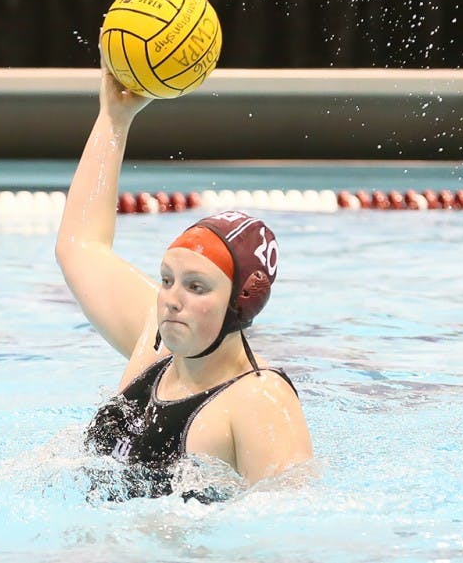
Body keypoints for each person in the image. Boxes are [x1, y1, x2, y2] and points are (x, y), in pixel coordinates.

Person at [56, 57, 313, 502]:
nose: (170, 299)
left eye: (196, 287)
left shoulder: (259, 401)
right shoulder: (153, 345)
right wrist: (114, 118)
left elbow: (291, 531)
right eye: (167, 279)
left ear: (242, 301)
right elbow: (78, 245)